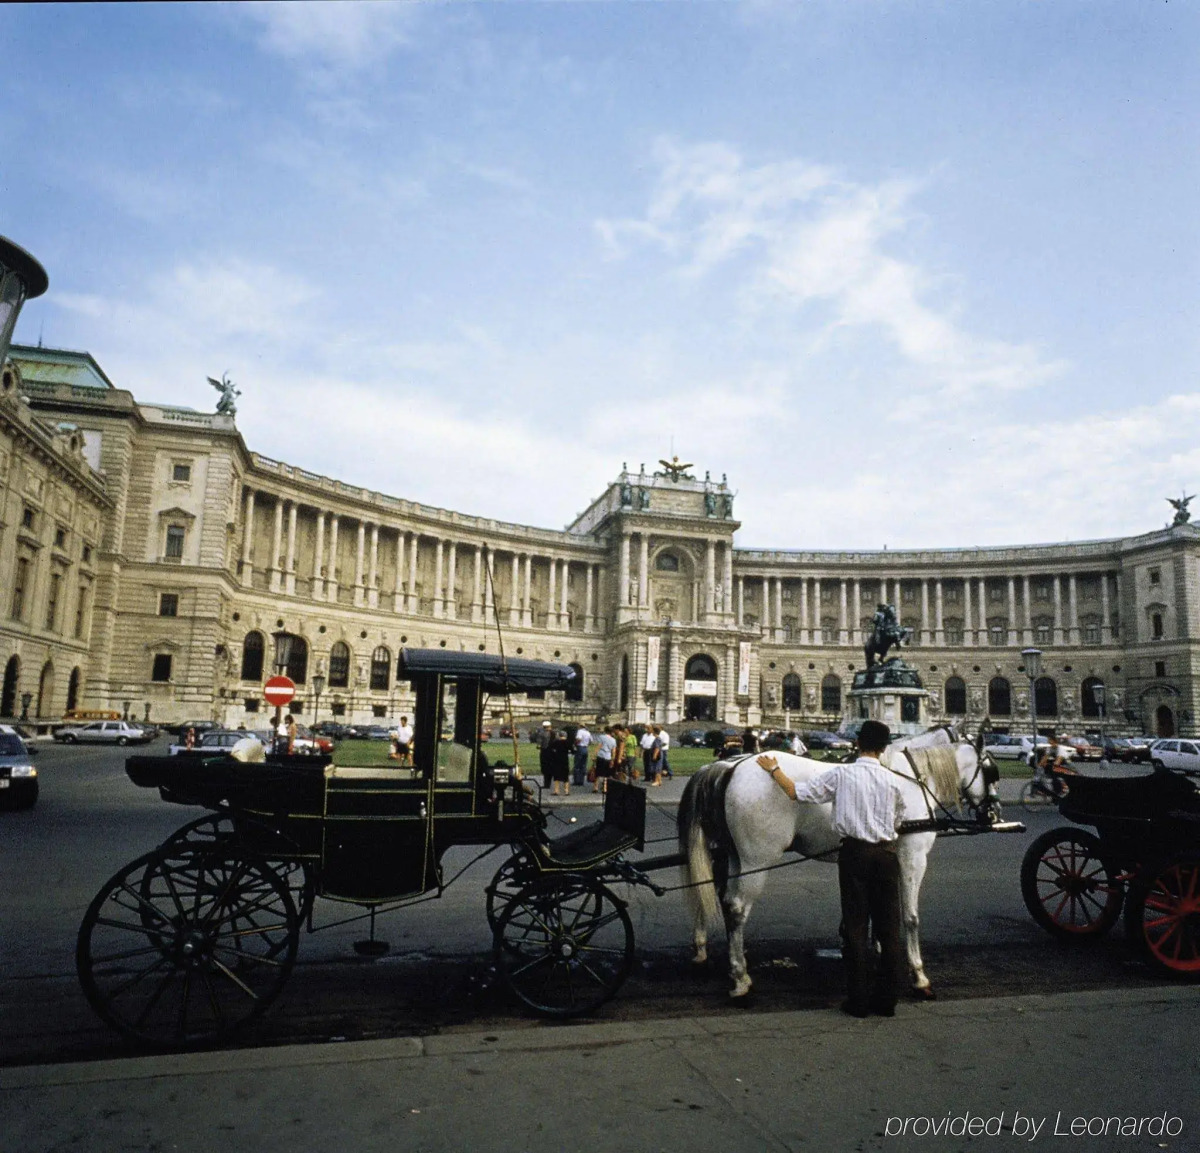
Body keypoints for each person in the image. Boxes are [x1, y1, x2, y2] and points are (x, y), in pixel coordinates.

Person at [757, 719, 903, 1018]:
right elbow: (898, 819)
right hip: (887, 855)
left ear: (858, 744)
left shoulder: (842, 775)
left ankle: (858, 1000)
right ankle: (887, 1000)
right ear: (883, 749)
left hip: (855, 854)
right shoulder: (893, 781)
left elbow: (797, 792)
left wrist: (774, 770)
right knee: (889, 929)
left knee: (856, 926)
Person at [593, 726, 617, 794]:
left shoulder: (602, 737)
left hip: (601, 755)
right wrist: (612, 760)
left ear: (605, 731)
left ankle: (596, 787)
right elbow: (613, 751)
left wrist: (594, 755)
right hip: (608, 757)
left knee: (598, 772)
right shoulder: (613, 740)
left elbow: (599, 746)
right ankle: (605, 788)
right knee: (606, 774)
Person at [548, 729, 571, 796]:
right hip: (565, 760)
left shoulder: (556, 742)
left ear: (559, 735)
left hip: (557, 760)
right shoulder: (568, 742)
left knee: (556, 776)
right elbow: (573, 750)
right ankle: (566, 791)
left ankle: (556, 791)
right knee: (565, 776)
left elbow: (550, 749)